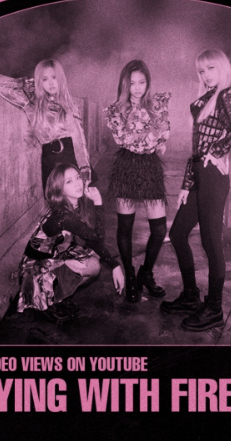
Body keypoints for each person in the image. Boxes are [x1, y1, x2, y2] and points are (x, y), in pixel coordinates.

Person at [160, 49, 231, 331]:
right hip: (200, 176)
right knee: (177, 233)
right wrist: (187, 184)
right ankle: (190, 296)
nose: (206, 74)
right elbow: (196, 149)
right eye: (201, 70)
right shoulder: (208, 97)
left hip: (213, 178)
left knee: (212, 243)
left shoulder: (225, 95)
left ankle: (213, 309)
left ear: (223, 68)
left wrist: (217, 151)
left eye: (211, 68)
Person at [17, 163, 124, 322]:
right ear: (59, 189)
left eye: (78, 178)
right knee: (93, 265)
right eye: (69, 181)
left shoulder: (72, 206)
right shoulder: (63, 215)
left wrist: (114, 264)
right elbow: (98, 236)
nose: (77, 183)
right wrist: (98, 203)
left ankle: (58, 295)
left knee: (97, 254)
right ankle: (50, 300)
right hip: (35, 268)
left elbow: (91, 239)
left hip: (52, 257)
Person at [104, 60, 171, 302]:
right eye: (132, 83)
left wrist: (159, 141)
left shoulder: (157, 106)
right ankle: (130, 276)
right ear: (125, 84)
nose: (137, 87)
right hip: (127, 166)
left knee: (159, 229)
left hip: (150, 166)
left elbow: (163, 135)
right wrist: (151, 137)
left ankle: (146, 273)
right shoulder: (116, 110)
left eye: (142, 82)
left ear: (148, 83)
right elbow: (125, 139)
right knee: (125, 227)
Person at [0, 58, 94, 192]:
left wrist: (84, 167)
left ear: (61, 79)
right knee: (54, 199)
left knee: (75, 200)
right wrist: (26, 83)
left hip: (71, 157)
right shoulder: (32, 102)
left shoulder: (71, 105)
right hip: (49, 158)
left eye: (54, 77)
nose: (51, 83)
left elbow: (78, 139)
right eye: (44, 79)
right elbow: (0, 87)